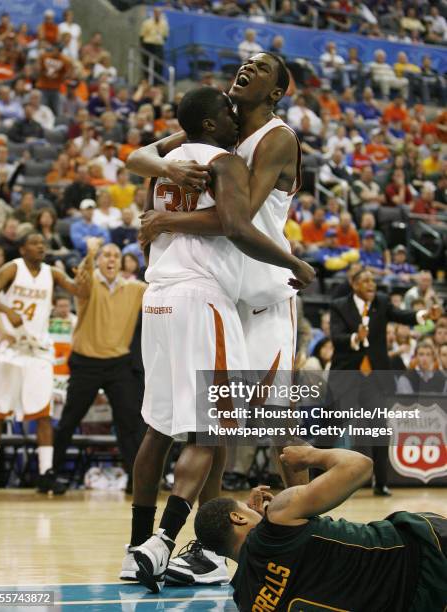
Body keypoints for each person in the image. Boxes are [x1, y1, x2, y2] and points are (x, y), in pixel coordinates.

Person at [126, 53, 314, 585]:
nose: (247, 69)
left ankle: (310, 536)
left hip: (270, 297)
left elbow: (238, 219)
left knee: (280, 431)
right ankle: (209, 548)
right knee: (217, 423)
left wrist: (166, 217)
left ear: (278, 91)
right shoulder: (221, 126)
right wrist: (164, 166)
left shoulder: (276, 137)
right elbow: (139, 155)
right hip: (228, 297)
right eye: (245, 63)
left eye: (262, 68)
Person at [195, 445, 447, 611]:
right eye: (247, 509)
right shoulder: (279, 517)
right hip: (425, 550)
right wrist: (311, 455)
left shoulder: (247, 601)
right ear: (238, 518)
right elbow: (360, 466)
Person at [0, 231, 88, 493]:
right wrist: (7, 311)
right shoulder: (11, 269)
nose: (41, 246)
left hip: (37, 351)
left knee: (43, 414)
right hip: (9, 349)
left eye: (43, 243)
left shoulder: (52, 273)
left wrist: (86, 277)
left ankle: (45, 472)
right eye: (35, 243)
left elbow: (80, 292)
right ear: (22, 248)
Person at [330, 268, 442, 496]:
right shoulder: (339, 305)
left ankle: (380, 482)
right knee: (331, 428)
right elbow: (336, 338)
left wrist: (425, 315)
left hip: (374, 379)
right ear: (353, 284)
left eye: (373, 280)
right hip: (347, 375)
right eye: (366, 281)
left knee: (380, 429)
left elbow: (403, 315)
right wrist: (355, 338)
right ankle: (318, 478)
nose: (372, 284)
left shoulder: (381, 302)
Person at [52, 239, 147, 493]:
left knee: (129, 423)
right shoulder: (90, 283)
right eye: (106, 255)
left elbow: (160, 289)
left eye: (116, 255)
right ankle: (52, 472)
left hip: (118, 365)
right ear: (98, 260)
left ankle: (138, 480)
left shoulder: (135, 288)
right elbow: (80, 279)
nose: (111, 259)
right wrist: (90, 252)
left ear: (122, 262)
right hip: (86, 363)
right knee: (69, 421)